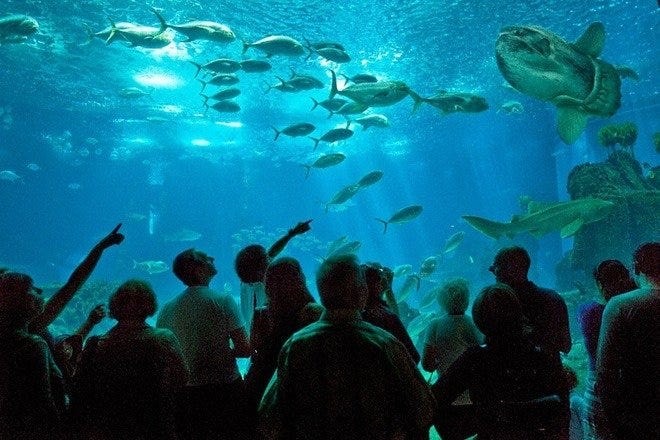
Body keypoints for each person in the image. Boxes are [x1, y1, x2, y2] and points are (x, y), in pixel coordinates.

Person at [257, 254, 436, 440]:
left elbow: (269, 418)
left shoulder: (295, 345)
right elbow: (424, 409)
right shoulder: (384, 343)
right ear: (361, 292)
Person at [432, 283, 569, 440]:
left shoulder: (475, 359)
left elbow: (434, 400)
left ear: (479, 320)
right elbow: (561, 406)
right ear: (518, 312)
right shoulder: (543, 353)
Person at [70, 279, 188, 439]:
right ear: (149, 304)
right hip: (153, 425)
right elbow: (182, 377)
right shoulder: (163, 338)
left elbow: (80, 383)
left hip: (106, 426)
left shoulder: (95, 343)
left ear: (115, 305)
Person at [157, 248, 251, 439]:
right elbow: (244, 350)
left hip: (185, 396)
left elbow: (164, 357)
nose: (212, 256)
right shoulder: (224, 300)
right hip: (224, 390)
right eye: (204, 257)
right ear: (197, 270)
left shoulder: (166, 309)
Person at [594, 242, 659, 440]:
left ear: (636, 268)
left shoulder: (620, 305)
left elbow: (605, 372)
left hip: (640, 413)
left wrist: (614, 422)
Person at [244, 257, 323, 415]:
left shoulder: (260, 313)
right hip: (298, 389)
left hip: (261, 386)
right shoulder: (313, 312)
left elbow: (253, 351)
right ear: (299, 278)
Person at [578, 260, 637, 439]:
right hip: (634, 388)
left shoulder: (587, 311)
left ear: (599, 284)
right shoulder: (636, 308)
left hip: (597, 387)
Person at [0, 272, 62, 439]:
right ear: (18, 299)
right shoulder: (33, 345)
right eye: (31, 288)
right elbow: (45, 401)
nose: (40, 290)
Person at [489, 246, 571, 358]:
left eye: (496, 268)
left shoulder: (497, 303)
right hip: (547, 372)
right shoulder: (552, 298)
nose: (492, 271)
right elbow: (566, 346)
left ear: (510, 269)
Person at [234, 219, 312, 330]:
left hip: (253, 334)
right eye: (266, 258)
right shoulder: (271, 288)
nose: (270, 258)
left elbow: (272, 251)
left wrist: (291, 234)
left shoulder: (246, 281)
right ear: (260, 268)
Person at [362, 262, 420, 363]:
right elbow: (413, 356)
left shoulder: (359, 312)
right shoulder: (383, 315)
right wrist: (388, 289)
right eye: (379, 274)